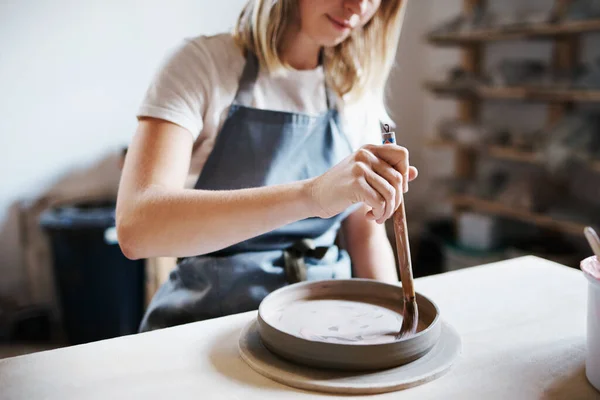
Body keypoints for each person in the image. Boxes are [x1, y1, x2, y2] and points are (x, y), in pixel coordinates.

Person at [116, 0, 418, 332]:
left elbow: (366, 234)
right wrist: (312, 196)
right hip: (210, 319)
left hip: (324, 319)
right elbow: (137, 227)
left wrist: (399, 322)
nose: (358, 5)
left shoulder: (356, 91)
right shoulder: (202, 66)